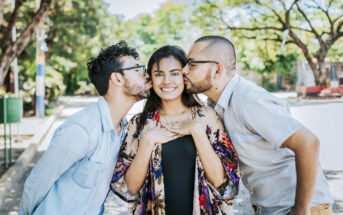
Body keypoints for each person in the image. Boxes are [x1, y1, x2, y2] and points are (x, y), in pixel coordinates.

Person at [182, 35, 334, 215]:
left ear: (217, 70)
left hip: (302, 208)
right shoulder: (216, 106)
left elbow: (308, 143)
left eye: (192, 64)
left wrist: (301, 209)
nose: (184, 70)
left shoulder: (248, 100)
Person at [20, 41, 152, 215]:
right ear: (117, 78)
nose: (147, 75)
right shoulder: (82, 130)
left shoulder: (124, 130)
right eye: (137, 70)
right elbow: (36, 183)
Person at [111, 45, 239, 215]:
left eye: (174, 73)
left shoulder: (207, 117)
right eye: (159, 74)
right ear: (151, 79)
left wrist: (197, 132)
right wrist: (148, 141)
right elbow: (130, 188)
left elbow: (220, 182)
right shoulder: (139, 124)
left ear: (185, 76)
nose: (166, 81)